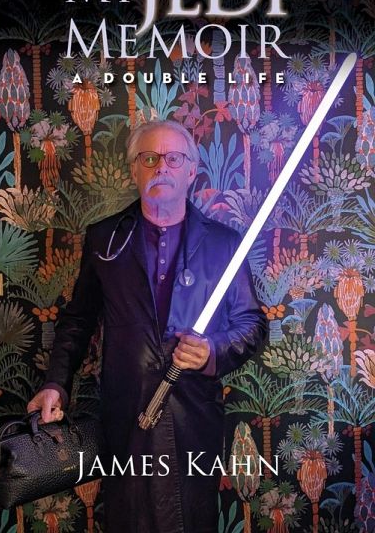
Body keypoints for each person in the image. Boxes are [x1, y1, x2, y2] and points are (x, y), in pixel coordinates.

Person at [27, 120, 268, 533]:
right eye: (150, 158)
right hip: (126, 412)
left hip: (193, 414)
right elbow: (78, 320)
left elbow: (252, 325)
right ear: (134, 169)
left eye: (173, 158)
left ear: (191, 170)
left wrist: (212, 351)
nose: (161, 168)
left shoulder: (225, 244)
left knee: (191, 519)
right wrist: (55, 384)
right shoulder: (104, 238)